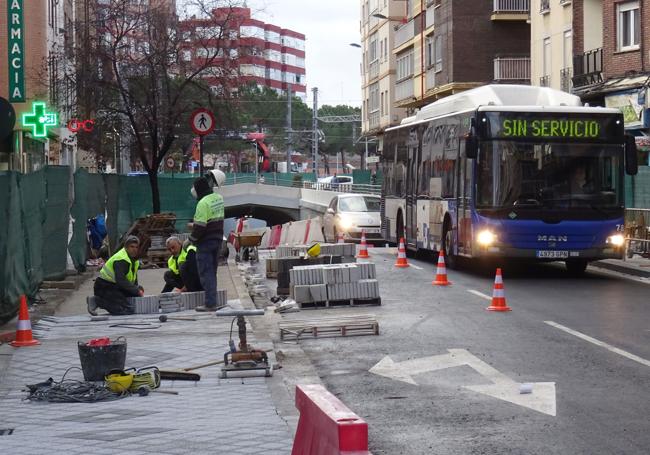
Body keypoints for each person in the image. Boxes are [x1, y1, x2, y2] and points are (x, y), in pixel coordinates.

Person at [190, 173, 225, 311]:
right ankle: (212, 301)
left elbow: (200, 227)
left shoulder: (202, 203)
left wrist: (190, 240)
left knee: (206, 273)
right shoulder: (219, 198)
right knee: (213, 271)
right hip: (217, 239)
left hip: (205, 242)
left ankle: (210, 304)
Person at [89, 236, 144, 316]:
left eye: (136, 247)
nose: (134, 249)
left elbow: (133, 279)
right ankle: (97, 301)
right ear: (126, 247)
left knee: (135, 296)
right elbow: (121, 280)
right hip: (104, 287)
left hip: (116, 286)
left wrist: (137, 290)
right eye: (131, 247)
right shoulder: (121, 259)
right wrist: (135, 290)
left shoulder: (134, 261)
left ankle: (114, 300)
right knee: (123, 310)